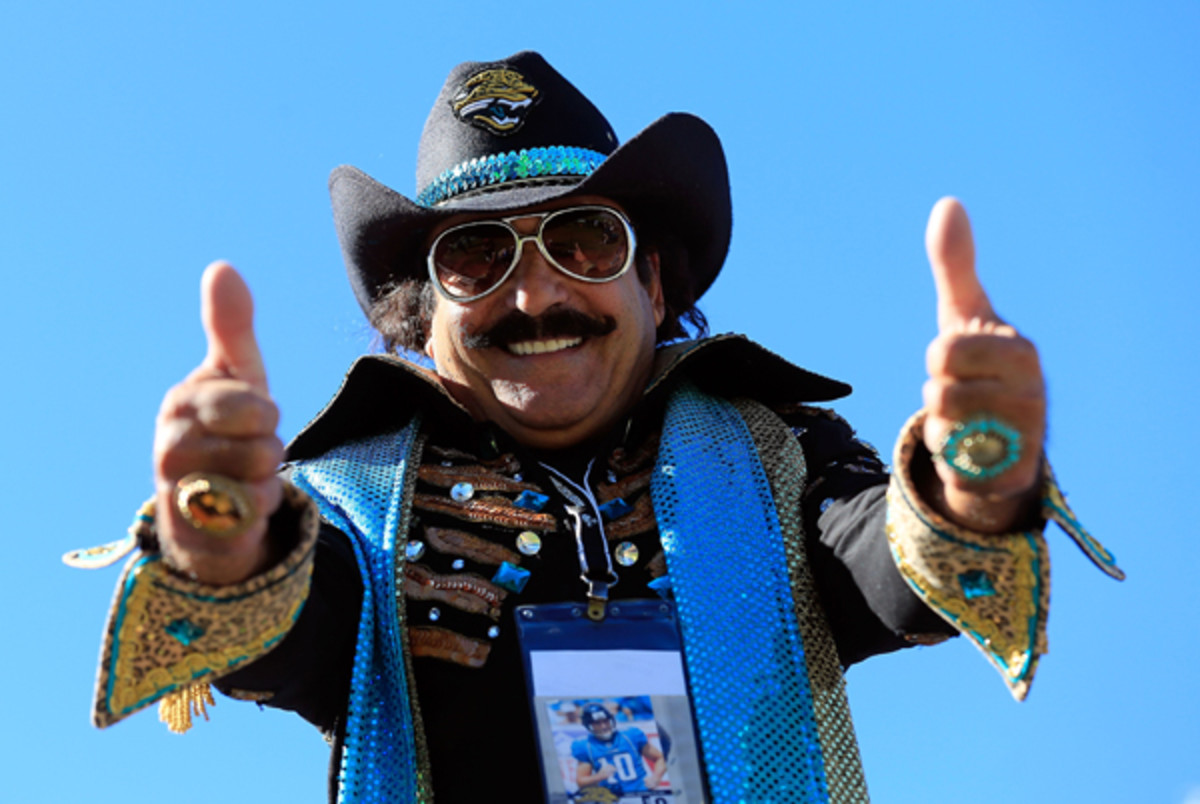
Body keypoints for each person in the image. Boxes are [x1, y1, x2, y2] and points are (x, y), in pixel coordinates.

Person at [71, 51, 1122, 803]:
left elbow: (890, 569)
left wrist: (974, 471)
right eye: (477, 260)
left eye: (581, 240)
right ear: (418, 321)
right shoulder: (351, 503)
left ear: (654, 284)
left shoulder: (774, 451)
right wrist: (218, 532)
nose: (536, 300)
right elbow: (287, 622)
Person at [573, 704, 666, 797]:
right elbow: (581, 782)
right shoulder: (585, 746)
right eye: (597, 723)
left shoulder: (631, 735)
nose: (604, 726)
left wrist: (656, 777)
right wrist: (599, 777)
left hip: (640, 793)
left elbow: (661, 758)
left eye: (606, 721)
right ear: (588, 725)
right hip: (611, 797)